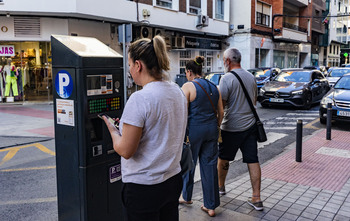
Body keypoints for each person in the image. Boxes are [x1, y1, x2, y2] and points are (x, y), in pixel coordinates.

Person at [102, 35, 187, 221]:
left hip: (144, 189)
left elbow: (126, 150)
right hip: (172, 180)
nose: (130, 69)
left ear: (138, 65)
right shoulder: (177, 91)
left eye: (130, 64)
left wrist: (113, 130)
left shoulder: (140, 99)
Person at [217, 48, 264, 211]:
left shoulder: (226, 78)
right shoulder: (251, 77)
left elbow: (221, 107)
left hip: (230, 127)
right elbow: (255, 100)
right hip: (250, 126)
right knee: (253, 160)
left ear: (228, 61)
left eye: (224, 60)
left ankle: (220, 188)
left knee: (223, 158)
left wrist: (217, 125)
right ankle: (256, 198)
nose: (224, 62)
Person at [180, 56, 224, 217]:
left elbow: (182, 114)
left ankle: (186, 196)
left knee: (189, 163)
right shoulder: (214, 87)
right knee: (210, 166)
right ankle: (210, 206)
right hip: (212, 129)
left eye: (186, 72)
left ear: (190, 72)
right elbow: (221, 112)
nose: (186, 75)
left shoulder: (188, 86)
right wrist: (216, 125)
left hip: (194, 130)